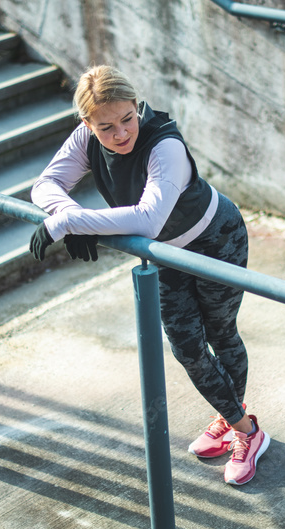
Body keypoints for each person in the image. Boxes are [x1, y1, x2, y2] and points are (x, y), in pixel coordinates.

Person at [28, 65, 269, 485]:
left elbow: (148, 219)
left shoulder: (165, 145)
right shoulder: (86, 137)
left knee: (220, 332)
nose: (121, 134)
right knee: (186, 347)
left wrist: (73, 224)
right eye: (106, 127)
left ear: (136, 106)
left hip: (216, 241)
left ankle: (245, 430)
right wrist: (67, 214)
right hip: (167, 255)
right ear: (86, 124)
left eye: (127, 118)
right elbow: (46, 184)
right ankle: (234, 416)